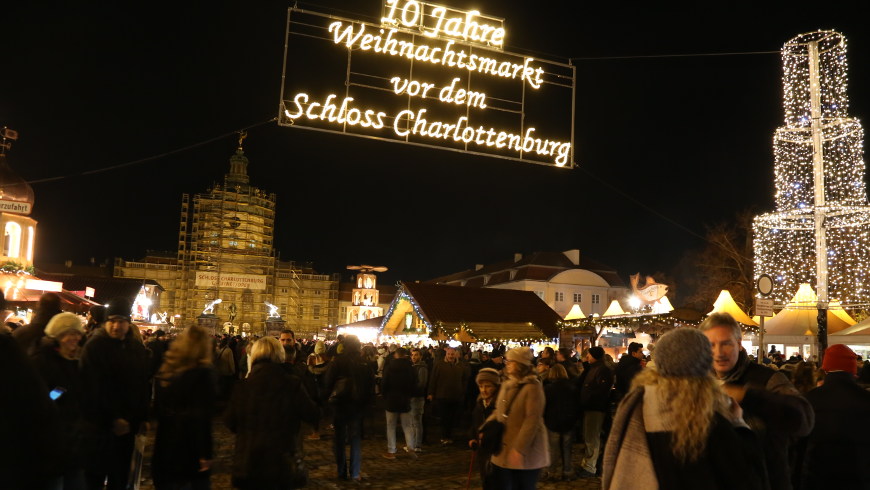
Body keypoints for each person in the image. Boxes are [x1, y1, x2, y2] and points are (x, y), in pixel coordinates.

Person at [602, 328, 768, 490]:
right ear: (705, 364)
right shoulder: (710, 417)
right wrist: (739, 424)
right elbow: (746, 478)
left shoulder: (639, 406)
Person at [700, 312, 814, 490]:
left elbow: (804, 419)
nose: (718, 352)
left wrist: (745, 396)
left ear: (739, 344)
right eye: (711, 345)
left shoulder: (768, 379)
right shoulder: (698, 382)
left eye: (726, 344)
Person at [225, 336, 317, 489]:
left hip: (250, 461)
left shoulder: (242, 386)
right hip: (282, 461)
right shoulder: (291, 383)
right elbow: (312, 414)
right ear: (280, 355)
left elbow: (229, 421)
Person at [79, 297, 150, 490]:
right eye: (112, 321)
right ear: (106, 322)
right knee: (94, 477)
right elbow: (92, 387)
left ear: (128, 323)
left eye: (121, 321)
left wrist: (143, 416)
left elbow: (142, 383)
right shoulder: (94, 346)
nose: (116, 326)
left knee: (119, 478)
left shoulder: (135, 348)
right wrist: (113, 418)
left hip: (127, 428)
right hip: (100, 428)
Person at [151, 326, 218, 490]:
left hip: (164, 447)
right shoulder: (203, 375)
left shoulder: (166, 371)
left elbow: (157, 411)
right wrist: (205, 453)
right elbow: (201, 418)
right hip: (189, 450)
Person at [800, 344, 870, 488]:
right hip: (859, 476)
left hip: (818, 476)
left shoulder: (810, 399)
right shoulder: (865, 399)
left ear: (825, 369)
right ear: (853, 370)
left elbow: (799, 444)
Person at [33, 312, 87, 490]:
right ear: (58, 336)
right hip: (52, 437)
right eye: (68, 334)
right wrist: (59, 392)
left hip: (74, 438)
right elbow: (42, 399)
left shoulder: (76, 360)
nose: (74, 338)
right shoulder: (42, 360)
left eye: (77, 333)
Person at [486, 347, 549, 489]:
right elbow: (499, 411)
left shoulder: (533, 387)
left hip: (527, 452)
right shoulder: (508, 384)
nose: (506, 363)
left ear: (520, 364)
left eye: (510, 361)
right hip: (504, 448)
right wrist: (485, 428)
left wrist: (519, 449)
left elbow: (532, 421)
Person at [324, 335, 375, 482]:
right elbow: (370, 386)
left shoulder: (338, 362)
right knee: (355, 439)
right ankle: (355, 472)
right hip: (357, 405)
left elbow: (328, 383)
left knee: (339, 439)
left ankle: (341, 471)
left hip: (340, 405)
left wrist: (325, 401)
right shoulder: (364, 363)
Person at [577, 345, 614, 478]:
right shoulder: (594, 368)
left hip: (595, 408)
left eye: (590, 355)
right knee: (589, 437)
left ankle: (590, 467)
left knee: (592, 438)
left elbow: (601, 391)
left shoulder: (602, 370)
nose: (587, 357)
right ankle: (587, 464)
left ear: (595, 356)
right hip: (590, 407)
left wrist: (589, 398)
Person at [542, 364, 579, 482]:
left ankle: (551, 472)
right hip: (569, 421)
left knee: (553, 449)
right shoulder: (572, 387)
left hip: (553, 421)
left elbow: (545, 406)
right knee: (567, 448)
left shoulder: (548, 389)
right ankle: (567, 471)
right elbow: (577, 404)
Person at [427, 346, 470, 445]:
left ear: (455, 355)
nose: (451, 356)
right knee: (444, 417)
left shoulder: (460, 366)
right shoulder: (439, 365)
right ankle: (444, 436)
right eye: (449, 354)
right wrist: (431, 393)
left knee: (452, 417)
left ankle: (449, 435)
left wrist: (462, 391)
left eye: (452, 354)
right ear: (446, 354)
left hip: (455, 396)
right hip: (442, 395)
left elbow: (464, 380)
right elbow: (433, 379)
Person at [381, 347, 418, 459]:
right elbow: (415, 383)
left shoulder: (389, 367)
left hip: (391, 399)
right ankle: (411, 448)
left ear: (396, 355)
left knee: (391, 426)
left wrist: (385, 396)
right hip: (405, 399)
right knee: (407, 426)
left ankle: (391, 450)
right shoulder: (411, 368)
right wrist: (410, 395)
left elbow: (384, 383)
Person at [468, 367, 501, 489]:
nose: (484, 390)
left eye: (488, 386)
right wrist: (472, 437)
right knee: (485, 479)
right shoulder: (479, 403)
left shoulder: (499, 405)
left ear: (496, 387)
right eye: (481, 386)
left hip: (496, 450)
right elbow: (475, 423)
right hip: (482, 449)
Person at [408, 347, 428, 452]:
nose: (414, 357)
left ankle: (417, 445)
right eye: (412, 355)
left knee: (417, 421)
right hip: (411, 397)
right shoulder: (412, 367)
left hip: (417, 397)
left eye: (416, 355)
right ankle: (412, 444)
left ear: (420, 356)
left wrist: (411, 388)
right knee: (412, 422)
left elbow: (422, 384)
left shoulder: (422, 368)